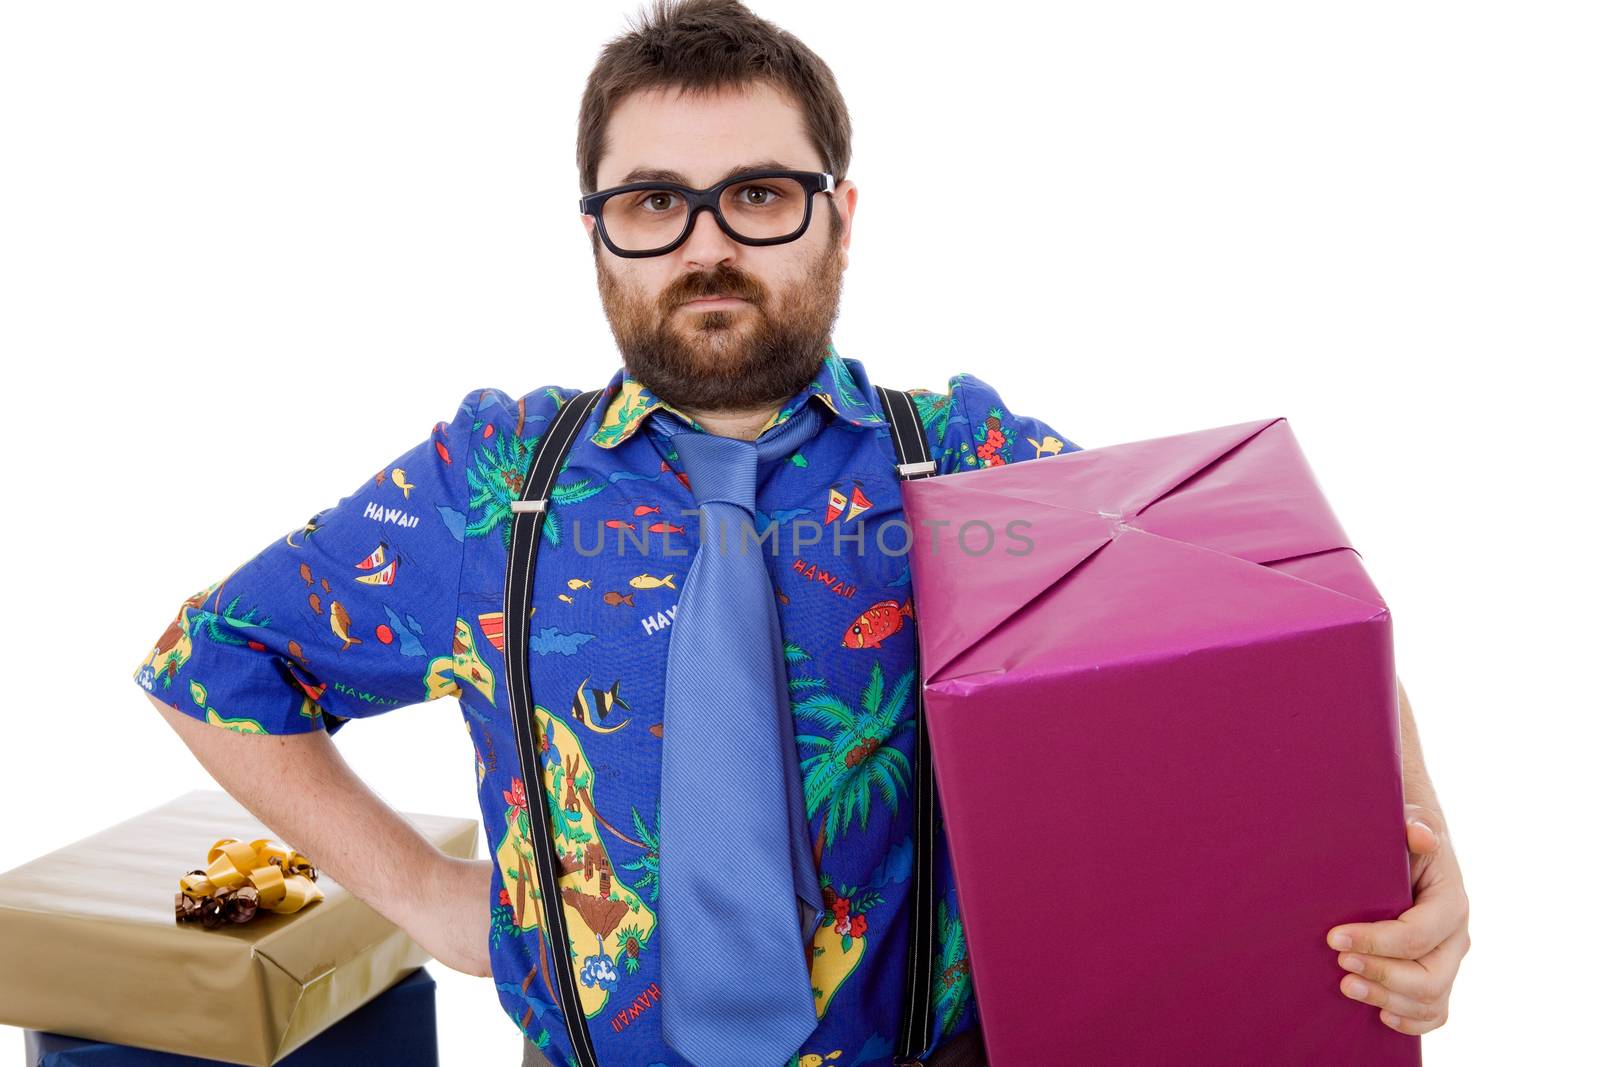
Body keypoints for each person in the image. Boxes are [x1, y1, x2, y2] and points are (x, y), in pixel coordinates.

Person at [133, 2, 1469, 1064]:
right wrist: (424, 894)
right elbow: (217, 658)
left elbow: (1264, 616)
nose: (707, 244)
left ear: (838, 210)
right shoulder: (491, 484)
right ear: (599, 237)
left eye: (759, 193)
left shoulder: (972, 460)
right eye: (654, 201)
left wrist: (1417, 847)